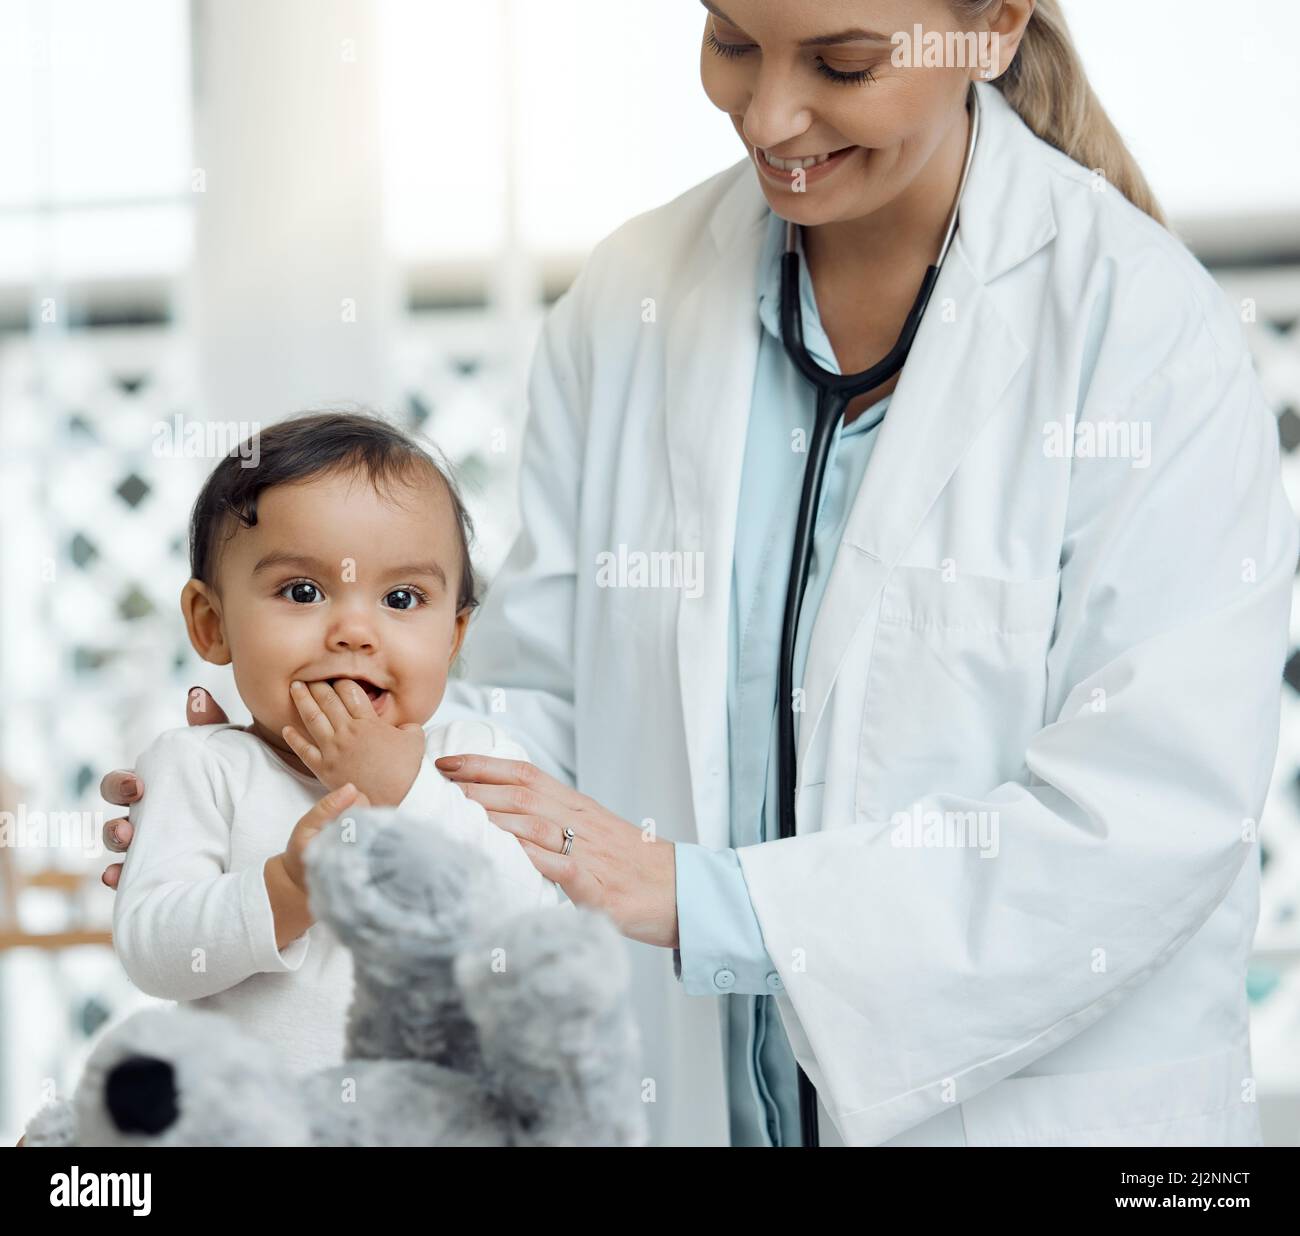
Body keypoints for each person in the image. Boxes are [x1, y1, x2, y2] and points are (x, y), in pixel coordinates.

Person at [102, 0, 1296, 1145]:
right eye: (730, 41)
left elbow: (1143, 814)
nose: (768, 117)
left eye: (840, 65)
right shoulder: (632, 301)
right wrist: (291, 783)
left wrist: (710, 902)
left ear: (991, 27)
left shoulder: (1141, 333)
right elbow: (536, 724)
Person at [111, 412, 560, 1076]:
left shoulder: (474, 757)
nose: (354, 630)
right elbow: (153, 950)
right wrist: (284, 892)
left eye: (402, 598)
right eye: (303, 591)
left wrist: (406, 790)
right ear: (212, 624)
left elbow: (535, 938)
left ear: (453, 637)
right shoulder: (200, 767)